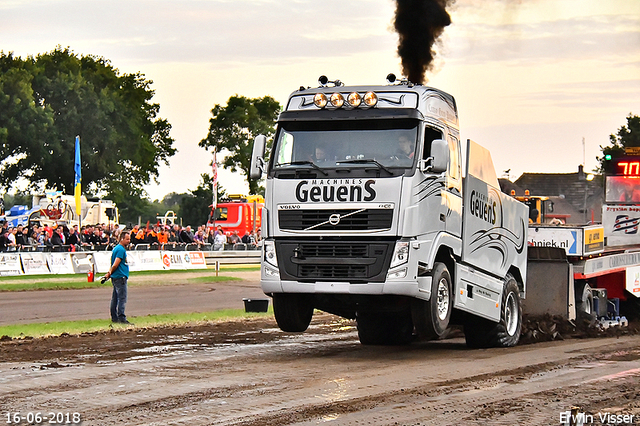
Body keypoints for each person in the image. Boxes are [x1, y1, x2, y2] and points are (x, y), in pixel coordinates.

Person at [105, 231, 132, 325]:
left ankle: (114, 317)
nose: (129, 241)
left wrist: (109, 273)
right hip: (120, 276)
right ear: (122, 239)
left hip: (115, 276)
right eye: (127, 239)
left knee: (115, 298)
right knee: (122, 298)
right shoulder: (121, 250)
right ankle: (121, 317)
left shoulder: (116, 248)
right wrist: (110, 272)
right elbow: (116, 263)